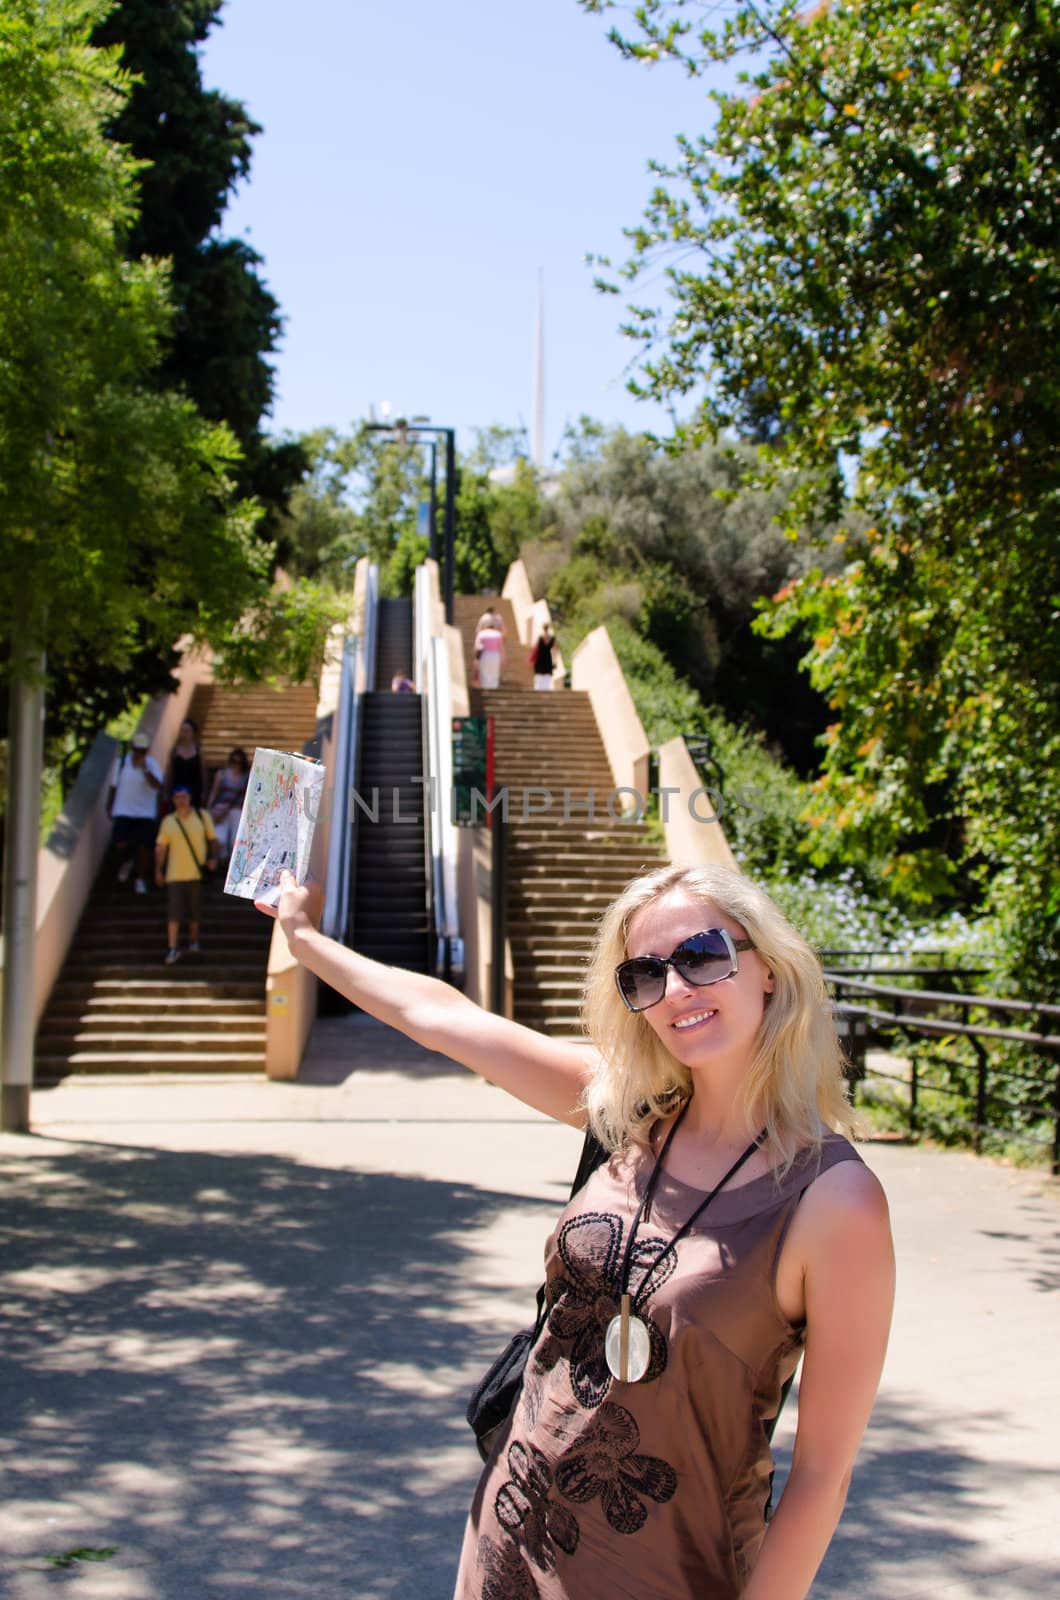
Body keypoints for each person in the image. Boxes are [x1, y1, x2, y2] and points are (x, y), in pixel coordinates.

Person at [257, 861, 895, 1600]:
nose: (676, 991)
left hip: (668, 1574)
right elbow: (442, 1018)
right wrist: (303, 939)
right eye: (644, 976)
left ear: (770, 970)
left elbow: (823, 1476)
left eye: (702, 956)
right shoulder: (628, 1109)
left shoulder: (834, 1201)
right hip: (506, 1545)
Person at [155, 785, 217, 964]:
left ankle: (194, 941)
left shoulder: (202, 816)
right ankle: (173, 947)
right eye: (177, 798)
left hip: (196, 873)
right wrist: (158, 870)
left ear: (190, 798)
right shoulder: (168, 821)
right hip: (174, 875)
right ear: (173, 800)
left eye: (184, 797)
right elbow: (161, 847)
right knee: (174, 913)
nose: (181, 801)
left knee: (194, 912)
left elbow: (212, 839)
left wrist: (213, 858)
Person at [108, 731, 163, 895]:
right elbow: (113, 786)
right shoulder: (121, 763)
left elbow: (158, 786)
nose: (140, 752)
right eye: (138, 749)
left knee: (143, 848)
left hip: (145, 813)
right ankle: (126, 862)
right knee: (120, 844)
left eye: (143, 750)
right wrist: (109, 805)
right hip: (123, 811)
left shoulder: (152, 765)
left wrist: (145, 770)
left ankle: (140, 878)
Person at [206, 747, 250, 865]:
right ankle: (220, 862)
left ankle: (233, 864)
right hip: (221, 809)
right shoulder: (222, 774)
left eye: (239, 762)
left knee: (235, 840)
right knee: (220, 839)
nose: (236, 765)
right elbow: (214, 792)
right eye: (234, 761)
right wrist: (209, 808)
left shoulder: (246, 777)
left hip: (237, 809)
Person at [164, 717, 208, 810]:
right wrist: (166, 792)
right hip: (177, 790)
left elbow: (203, 773)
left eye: (188, 731)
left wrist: (204, 792)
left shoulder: (198, 752)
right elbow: (170, 773)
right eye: (183, 730)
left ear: (193, 733)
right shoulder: (174, 751)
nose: (185, 733)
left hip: (194, 791)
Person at [473, 621, 505, 690]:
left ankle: (485, 687)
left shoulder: (481, 633)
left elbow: (477, 646)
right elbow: (501, 648)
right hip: (495, 655)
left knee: (484, 671)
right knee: (494, 671)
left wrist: (476, 658)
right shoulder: (498, 634)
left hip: (485, 654)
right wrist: (503, 658)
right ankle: (493, 687)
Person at [530, 622, 556, 690]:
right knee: (547, 675)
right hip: (548, 657)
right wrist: (555, 661)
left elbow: (535, 647)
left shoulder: (540, 637)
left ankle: (538, 688)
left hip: (540, 657)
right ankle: (546, 688)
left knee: (539, 675)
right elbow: (555, 650)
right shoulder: (552, 638)